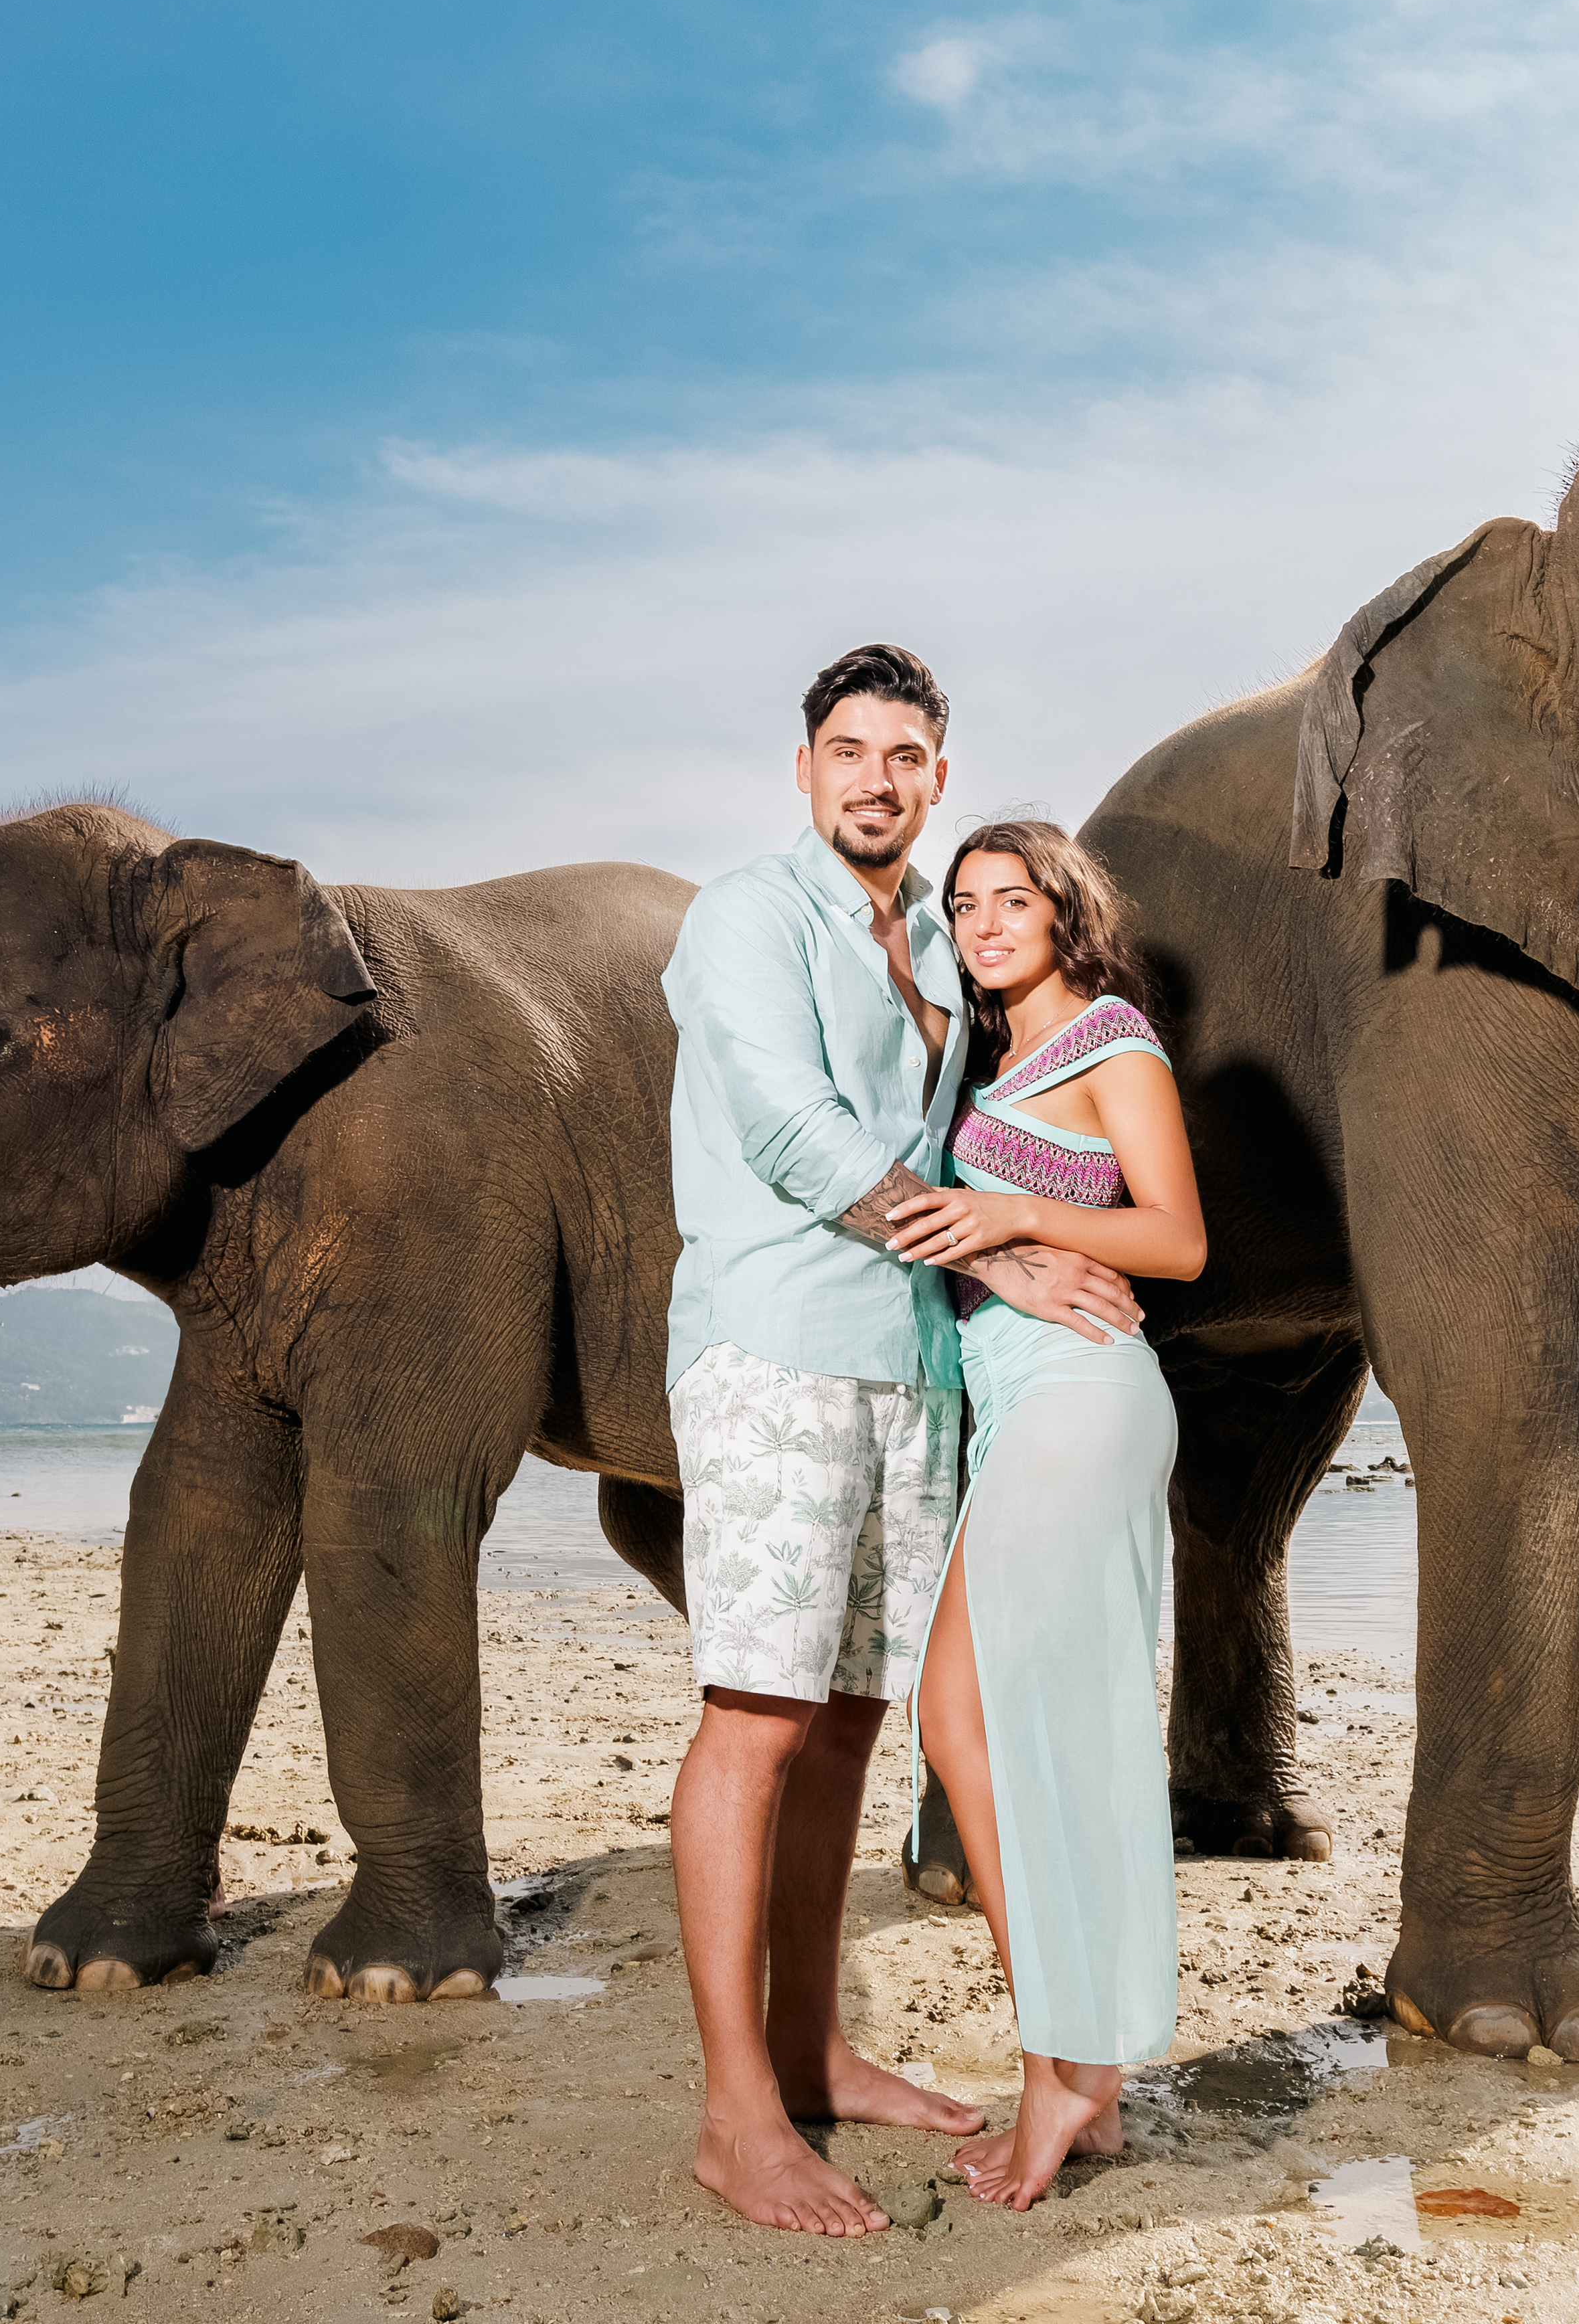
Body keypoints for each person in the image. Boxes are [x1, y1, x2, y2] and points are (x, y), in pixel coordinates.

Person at [661, 645, 1147, 2237]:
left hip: (915, 1370)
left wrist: (1006, 1263)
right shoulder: (746, 917)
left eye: (907, 755)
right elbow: (798, 1130)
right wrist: (1003, 1252)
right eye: (849, 749)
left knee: (858, 1724)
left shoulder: (946, 943)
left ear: (939, 775)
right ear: (805, 768)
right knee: (755, 1713)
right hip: (778, 1348)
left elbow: (980, 1131)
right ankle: (740, 2114)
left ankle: (812, 2046)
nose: (877, 777)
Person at [879, 816, 1207, 2209]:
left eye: (1014, 898)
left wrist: (1011, 1222)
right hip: (1018, 1408)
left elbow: (1178, 1239)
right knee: (972, 1724)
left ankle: (1059, 2074)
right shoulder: (991, 1057)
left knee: (1007, 1728)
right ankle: (1092, 2075)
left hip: (1085, 1399)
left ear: (1064, 910)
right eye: (968, 904)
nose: (988, 921)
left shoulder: (1111, 1041)